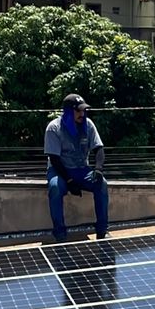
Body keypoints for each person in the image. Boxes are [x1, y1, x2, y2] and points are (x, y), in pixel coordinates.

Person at [44, 94, 109, 241]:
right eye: (78, 110)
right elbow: (54, 159)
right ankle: (60, 234)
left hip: (81, 169)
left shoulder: (88, 125)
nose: (82, 114)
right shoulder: (54, 128)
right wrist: (69, 181)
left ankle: (102, 230)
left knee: (102, 184)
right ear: (68, 112)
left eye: (84, 110)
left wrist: (98, 169)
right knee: (55, 188)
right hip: (60, 170)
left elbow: (99, 148)